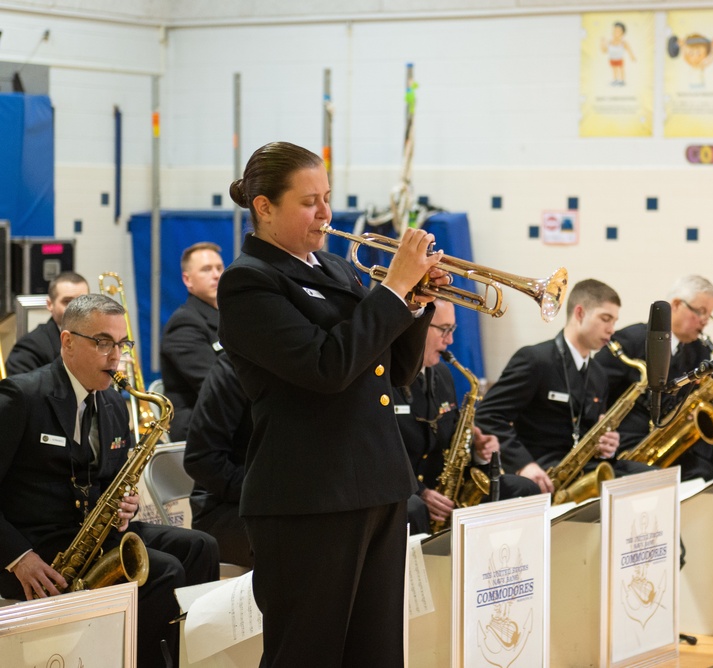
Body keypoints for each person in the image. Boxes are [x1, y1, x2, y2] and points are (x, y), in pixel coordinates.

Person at [218, 141, 447, 666]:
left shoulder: (336, 270)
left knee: (377, 652)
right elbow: (326, 368)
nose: (325, 213)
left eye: (326, 198)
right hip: (309, 496)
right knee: (308, 653)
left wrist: (416, 302)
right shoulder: (249, 282)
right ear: (265, 207)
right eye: (308, 202)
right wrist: (394, 289)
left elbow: (397, 370)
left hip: (376, 484)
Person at [0, 293, 220, 668]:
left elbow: (112, 481)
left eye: (122, 343)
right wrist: (19, 557)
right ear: (67, 342)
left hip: (92, 534)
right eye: (103, 342)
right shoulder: (22, 396)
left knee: (202, 547)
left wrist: (126, 504)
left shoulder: (114, 403)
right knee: (165, 572)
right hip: (35, 552)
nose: (115, 355)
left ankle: (185, 659)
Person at [475, 279, 650, 495]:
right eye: (606, 319)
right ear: (579, 313)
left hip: (583, 466)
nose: (612, 330)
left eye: (614, 321)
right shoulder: (536, 360)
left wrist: (607, 448)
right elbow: (488, 416)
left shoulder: (598, 374)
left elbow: (590, 430)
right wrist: (523, 464)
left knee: (653, 478)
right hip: (543, 468)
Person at [393, 299, 539, 534]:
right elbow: (378, 451)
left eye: (453, 331)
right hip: (408, 493)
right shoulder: (384, 376)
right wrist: (420, 491)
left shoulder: (442, 373)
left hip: (447, 492)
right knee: (413, 508)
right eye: (444, 329)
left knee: (523, 488)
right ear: (414, 325)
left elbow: (453, 440)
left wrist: (478, 450)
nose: (450, 341)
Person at [596, 275, 713, 482]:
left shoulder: (699, 351)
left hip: (669, 441)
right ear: (676, 305)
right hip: (628, 442)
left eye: (709, 315)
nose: (705, 321)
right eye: (700, 311)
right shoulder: (630, 341)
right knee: (696, 474)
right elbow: (595, 387)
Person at [183, 352, 253, 567]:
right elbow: (201, 459)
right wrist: (268, 491)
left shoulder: (307, 368)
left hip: (280, 505)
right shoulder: (233, 367)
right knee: (304, 541)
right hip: (222, 511)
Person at [160, 241, 226, 441]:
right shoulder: (184, 324)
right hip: (199, 426)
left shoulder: (230, 316)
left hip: (227, 417)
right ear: (187, 280)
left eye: (219, 268)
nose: (216, 275)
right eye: (206, 269)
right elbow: (217, 387)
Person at [5, 271, 89, 375]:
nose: (76, 309)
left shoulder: (98, 340)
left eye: (83, 302)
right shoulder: (30, 346)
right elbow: (18, 389)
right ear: (50, 304)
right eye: (67, 302)